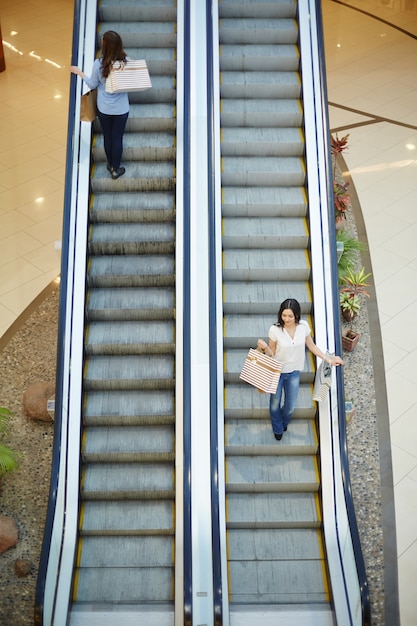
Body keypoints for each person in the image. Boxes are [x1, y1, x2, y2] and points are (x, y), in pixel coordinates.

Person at [257, 298, 344, 441]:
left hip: (294, 373)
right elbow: (271, 353)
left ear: (297, 315)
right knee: (274, 403)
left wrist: (329, 359)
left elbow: (312, 346)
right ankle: (278, 427)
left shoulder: (303, 326)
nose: (287, 319)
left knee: (290, 406)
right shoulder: (275, 330)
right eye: (284, 315)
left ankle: (284, 421)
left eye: (290, 316)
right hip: (277, 372)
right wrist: (265, 347)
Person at [70, 30, 129, 180]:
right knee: (117, 139)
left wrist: (80, 73)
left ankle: (110, 164)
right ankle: (115, 169)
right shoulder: (126, 63)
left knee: (108, 137)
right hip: (121, 109)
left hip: (104, 108)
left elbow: (92, 84)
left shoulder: (98, 64)